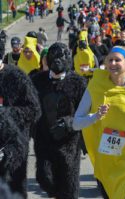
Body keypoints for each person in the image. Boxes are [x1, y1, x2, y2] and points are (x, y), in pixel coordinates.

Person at [73, 46, 125, 198]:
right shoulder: (95, 86)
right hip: (107, 159)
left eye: (118, 60)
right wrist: (95, 116)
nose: (113, 63)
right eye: (110, 60)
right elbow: (76, 123)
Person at [31, 42, 86, 199]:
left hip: (68, 142)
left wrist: (69, 123)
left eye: (62, 56)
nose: (57, 60)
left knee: (68, 186)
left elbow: (86, 110)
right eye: (54, 56)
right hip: (44, 140)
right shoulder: (37, 81)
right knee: (44, 178)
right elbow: (29, 106)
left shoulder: (78, 82)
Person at [0, 52, 41, 199]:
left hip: (14, 148)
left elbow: (34, 110)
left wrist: (6, 114)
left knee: (14, 193)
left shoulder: (16, 76)